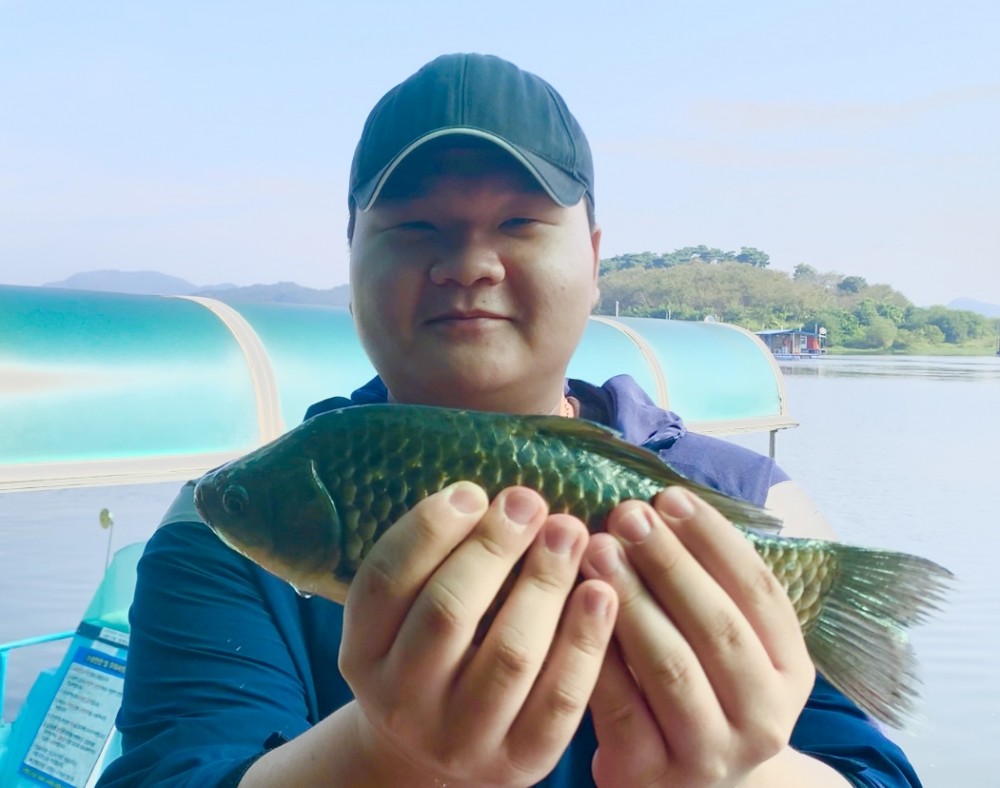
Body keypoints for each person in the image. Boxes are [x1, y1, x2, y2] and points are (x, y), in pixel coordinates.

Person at [98, 53, 922, 787]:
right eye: (415, 226)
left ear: (593, 260)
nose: (468, 266)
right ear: (351, 260)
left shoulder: (749, 502)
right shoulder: (226, 532)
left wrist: (746, 778)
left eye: (520, 223)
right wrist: (384, 762)